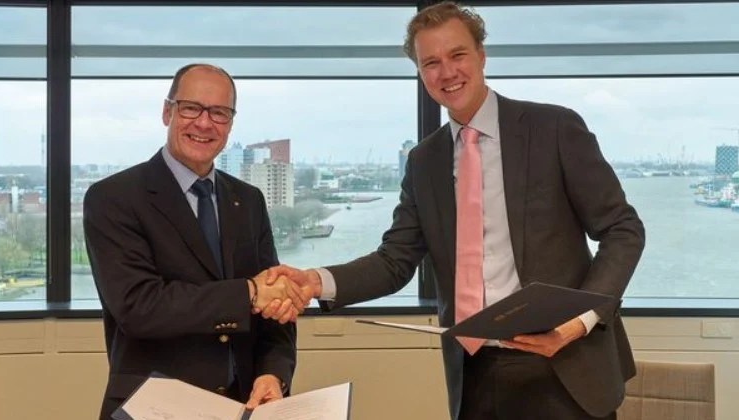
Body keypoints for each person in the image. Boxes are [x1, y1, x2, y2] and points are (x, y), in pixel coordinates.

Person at [264, 3, 645, 420]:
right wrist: (315, 281)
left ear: (481, 56)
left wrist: (580, 319)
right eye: (431, 62)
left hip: (566, 365)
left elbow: (622, 229)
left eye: (458, 55)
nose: (447, 72)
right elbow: (394, 261)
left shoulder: (553, 128)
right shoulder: (423, 161)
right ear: (420, 73)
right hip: (474, 372)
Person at [83, 63, 309, 420]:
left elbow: (274, 310)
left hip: (244, 405)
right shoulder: (113, 198)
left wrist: (273, 374)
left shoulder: (248, 200)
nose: (204, 123)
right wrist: (249, 293)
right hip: (153, 409)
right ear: (167, 112)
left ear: (230, 123)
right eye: (191, 108)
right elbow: (139, 307)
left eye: (219, 113)